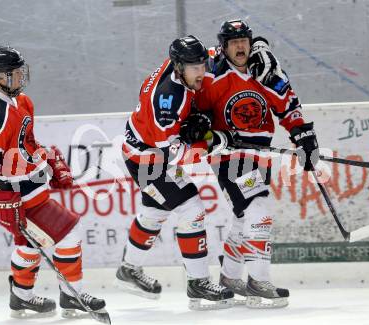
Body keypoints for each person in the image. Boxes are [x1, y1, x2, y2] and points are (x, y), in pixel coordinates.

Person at [186, 19, 319, 308]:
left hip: (260, 155)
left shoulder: (265, 70)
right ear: (223, 46)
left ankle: (230, 277)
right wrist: (207, 132)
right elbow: (196, 115)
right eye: (233, 42)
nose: (239, 46)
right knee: (259, 209)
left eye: (243, 40)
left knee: (244, 217)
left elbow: (287, 105)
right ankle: (258, 280)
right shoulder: (212, 77)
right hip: (230, 159)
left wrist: (303, 136)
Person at [0, 46, 108, 319]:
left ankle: (21, 297)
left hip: (33, 189)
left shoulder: (21, 103)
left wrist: (50, 163)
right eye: (13, 73)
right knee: (69, 234)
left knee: (29, 243)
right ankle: (73, 295)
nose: (20, 77)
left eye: (21, 71)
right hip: (20, 196)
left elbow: (28, 143)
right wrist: (4, 200)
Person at [114, 35, 234, 310]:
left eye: (202, 65)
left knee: (155, 212)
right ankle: (198, 283)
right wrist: (212, 142)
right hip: (149, 160)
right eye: (196, 68)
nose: (202, 72)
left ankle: (129, 269)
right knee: (191, 208)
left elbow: (213, 55)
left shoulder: (181, 66)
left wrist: (242, 50)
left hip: (144, 149)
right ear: (179, 67)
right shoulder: (169, 100)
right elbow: (176, 153)